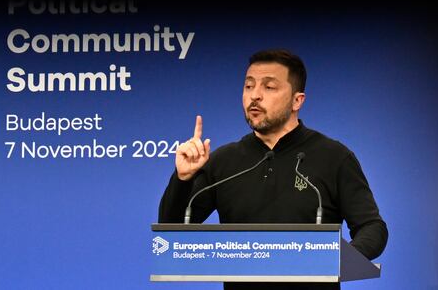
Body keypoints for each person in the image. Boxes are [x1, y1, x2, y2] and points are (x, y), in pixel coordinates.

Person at [159, 48, 388, 287]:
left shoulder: (334, 157)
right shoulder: (224, 161)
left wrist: (338, 260)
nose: (254, 96)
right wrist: (182, 179)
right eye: (248, 86)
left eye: (269, 87)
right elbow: (171, 233)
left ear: (297, 100)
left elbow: (372, 227)